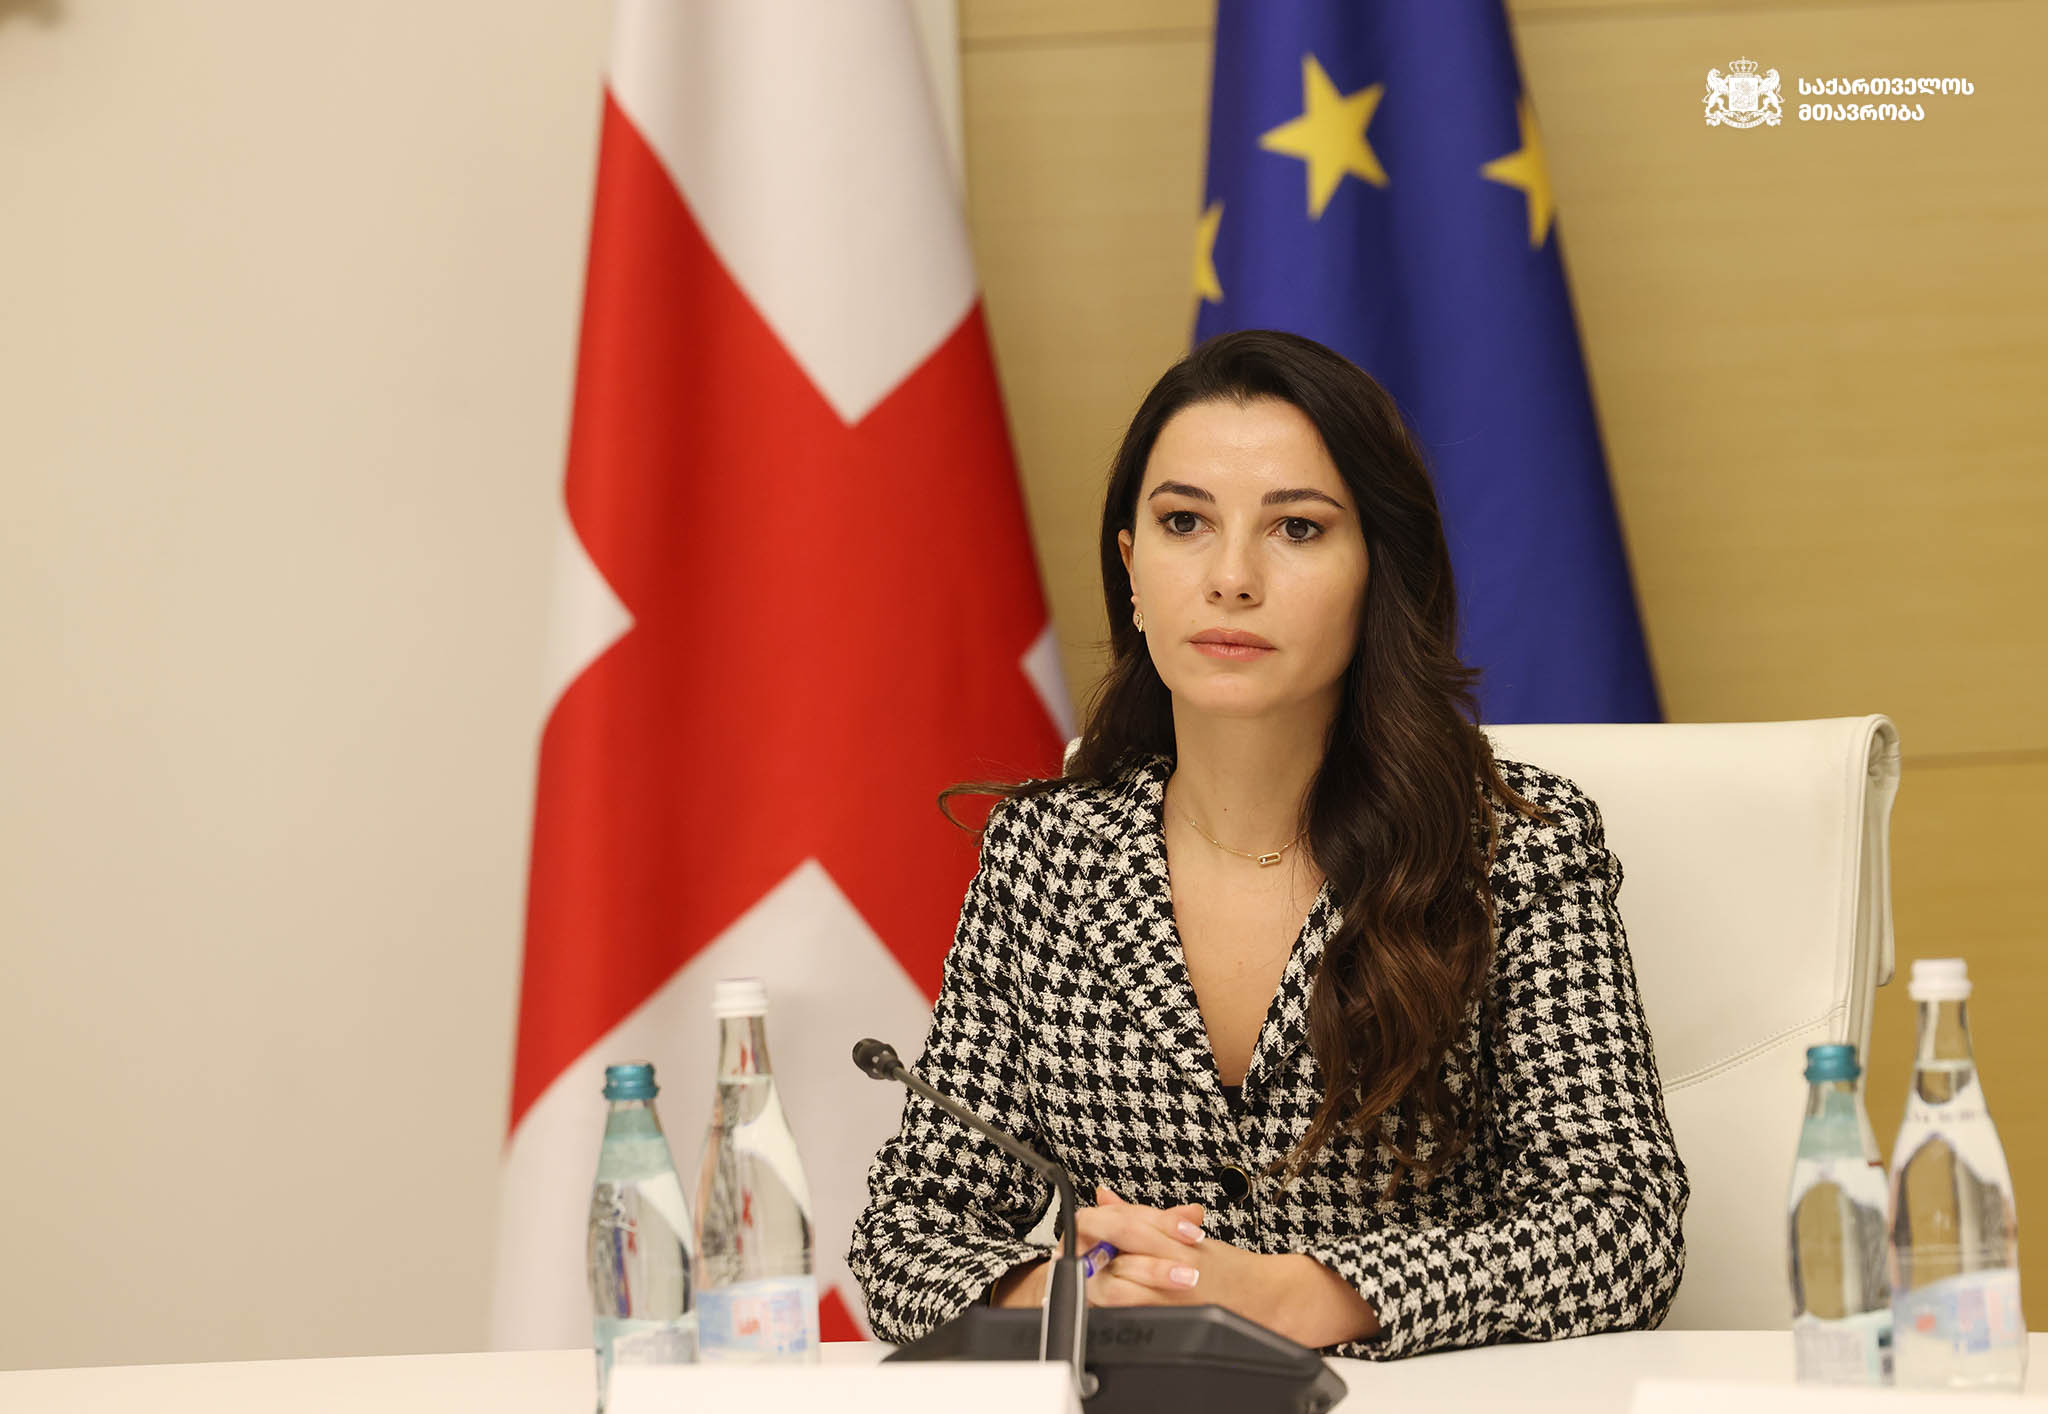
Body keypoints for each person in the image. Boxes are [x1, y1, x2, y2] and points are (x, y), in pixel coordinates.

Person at [847, 329, 1688, 1360]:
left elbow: (1623, 1224)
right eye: (1184, 523)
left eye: (1295, 528)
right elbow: (906, 1232)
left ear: (1376, 569)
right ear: (1131, 567)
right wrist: (1071, 1290)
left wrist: (1304, 1294)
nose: (1231, 577)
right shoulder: (1046, 856)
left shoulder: (1509, 851)